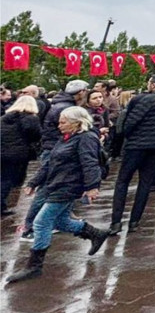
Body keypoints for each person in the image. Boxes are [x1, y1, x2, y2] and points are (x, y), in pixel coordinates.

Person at [6, 107, 108, 284]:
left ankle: (34, 267)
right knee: (60, 221)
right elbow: (49, 163)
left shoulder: (86, 138)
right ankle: (95, 233)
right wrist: (33, 182)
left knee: (41, 221)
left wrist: (92, 187)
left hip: (69, 186)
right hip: (56, 184)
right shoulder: (66, 138)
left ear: (77, 122)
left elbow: (90, 163)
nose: (59, 125)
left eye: (63, 122)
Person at [18, 80, 88, 242]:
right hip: (57, 151)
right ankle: (30, 228)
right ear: (81, 92)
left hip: (58, 149)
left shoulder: (60, 104)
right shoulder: (66, 109)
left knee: (61, 189)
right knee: (46, 190)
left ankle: (57, 221)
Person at [109, 74, 155, 235]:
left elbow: (131, 122)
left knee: (123, 181)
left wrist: (127, 135)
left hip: (136, 145)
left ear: (153, 85)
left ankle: (116, 221)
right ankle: (134, 221)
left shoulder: (145, 100)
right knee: (145, 184)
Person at [1, 96, 42, 216]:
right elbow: (36, 135)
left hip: (2, 151)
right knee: (7, 180)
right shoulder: (31, 118)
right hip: (16, 154)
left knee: (2, 177)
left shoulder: (4, 118)